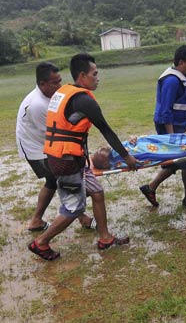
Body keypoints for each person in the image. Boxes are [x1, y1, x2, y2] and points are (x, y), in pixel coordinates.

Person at [28, 54, 138, 261]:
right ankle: (41, 242)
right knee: (74, 207)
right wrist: (127, 157)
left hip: (69, 157)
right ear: (82, 76)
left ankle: (105, 238)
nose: (98, 78)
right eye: (94, 74)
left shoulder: (63, 92)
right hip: (65, 161)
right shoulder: (84, 100)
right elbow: (106, 130)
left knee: (96, 192)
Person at [16, 62, 95, 232]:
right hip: (35, 149)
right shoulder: (38, 105)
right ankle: (79, 216)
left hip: (44, 144)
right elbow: (56, 134)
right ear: (42, 84)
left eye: (60, 81)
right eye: (54, 83)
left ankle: (38, 220)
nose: (59, 86)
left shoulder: (51, 97)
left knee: (55, 180)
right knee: (61, 178)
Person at [139, 45, 186, 207]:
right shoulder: (171, 80)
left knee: (180, 160)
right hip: (169, 127)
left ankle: (151, 188)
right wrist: (172, 138)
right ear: (181, 62)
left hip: (181, 126)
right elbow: (166, 111)